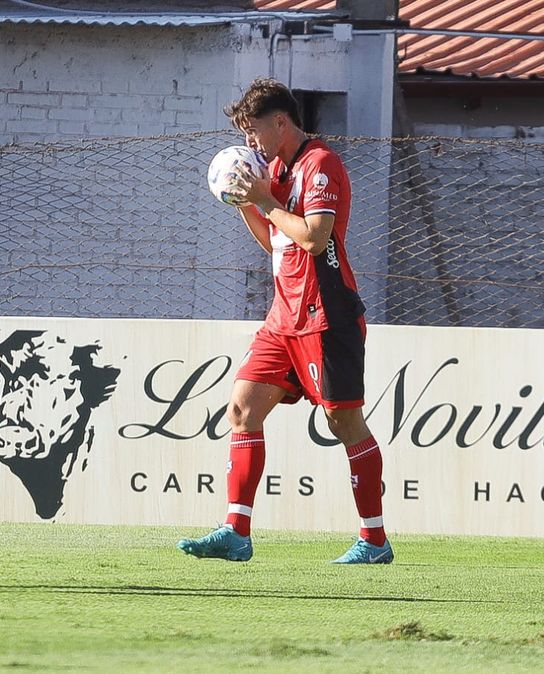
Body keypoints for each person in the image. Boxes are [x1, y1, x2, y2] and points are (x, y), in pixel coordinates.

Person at [176, 78, 391, 564]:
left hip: (325, 313)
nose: (249, 142)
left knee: (344, 423)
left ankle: (374, 540)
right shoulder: (272, 169)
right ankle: (236, 532)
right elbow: (277, 241)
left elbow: (315, 238)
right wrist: (246, 202)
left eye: (253, 131)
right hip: (283, 316)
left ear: (280, 122)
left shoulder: (320, 165)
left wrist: (267, 201)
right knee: (242, 409)